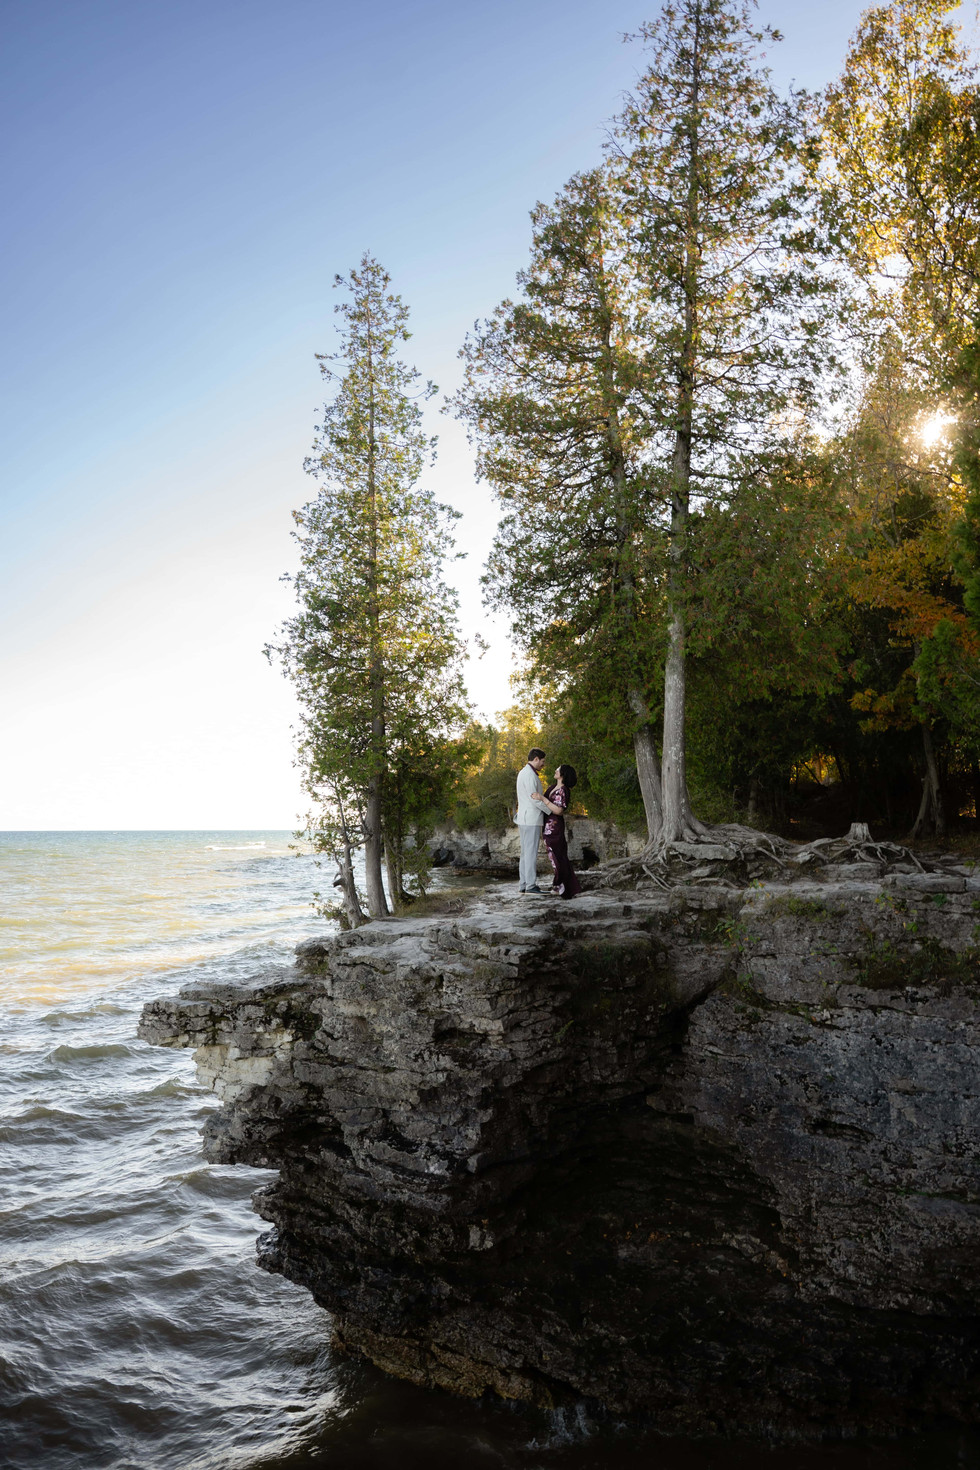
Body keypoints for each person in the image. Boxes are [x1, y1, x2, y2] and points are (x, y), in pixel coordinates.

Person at [533, 764, 582, 900]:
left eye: (558, 769)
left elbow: (559, 810)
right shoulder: (552, 787)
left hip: (554, 827)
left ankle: (560, 887)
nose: (555, 770)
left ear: (563, 774)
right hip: (547, 826)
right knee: (556, 856)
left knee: (557, 857)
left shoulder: (563, 790)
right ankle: (568, 887)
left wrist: (542, 799)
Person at [515, 747, 547, 894]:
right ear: (535, 759)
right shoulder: (529, 775)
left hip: (525, 817)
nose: (543, 765)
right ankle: (530, 885)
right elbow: (534, 799)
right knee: (530, 852)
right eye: (542, 761)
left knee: (525, 853)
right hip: (531, 818)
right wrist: (551, 810)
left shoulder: (524, 772)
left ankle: (523, 884)